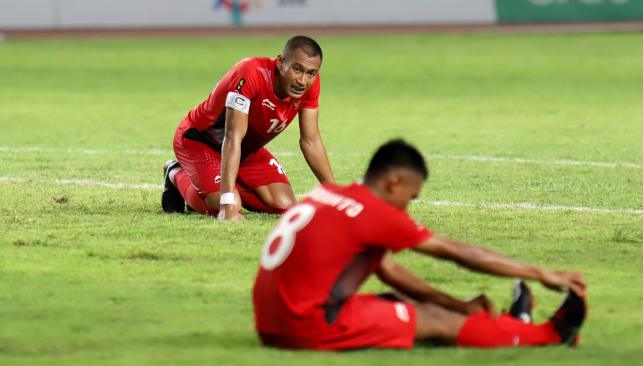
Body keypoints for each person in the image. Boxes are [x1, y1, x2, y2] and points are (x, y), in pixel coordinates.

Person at [252, 139, 587, 350]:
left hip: (271, 321)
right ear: (394, 181)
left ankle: (515, 323)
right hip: (307, 327)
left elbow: (387, 271)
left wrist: (458, 303)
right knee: (435, 321)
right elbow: (460, 254)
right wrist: (542, 273)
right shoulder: (376, 213)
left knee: (399, 303)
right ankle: (552, 335)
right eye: (410, 197)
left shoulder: (330, 193)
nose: (407, 206)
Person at [162, 35, 335, 220]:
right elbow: (233, 135)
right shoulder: (250, 73)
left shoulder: (310, 86)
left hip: (245, 150)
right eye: (297, 69)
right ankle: (176, 172)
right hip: (198, 141)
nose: (302, 81)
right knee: (224, 205)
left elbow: (310, 140)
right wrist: (227, 204)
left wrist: (336, 195)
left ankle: (217, 182)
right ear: (281, 62)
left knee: (284, 205)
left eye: (311, 73)